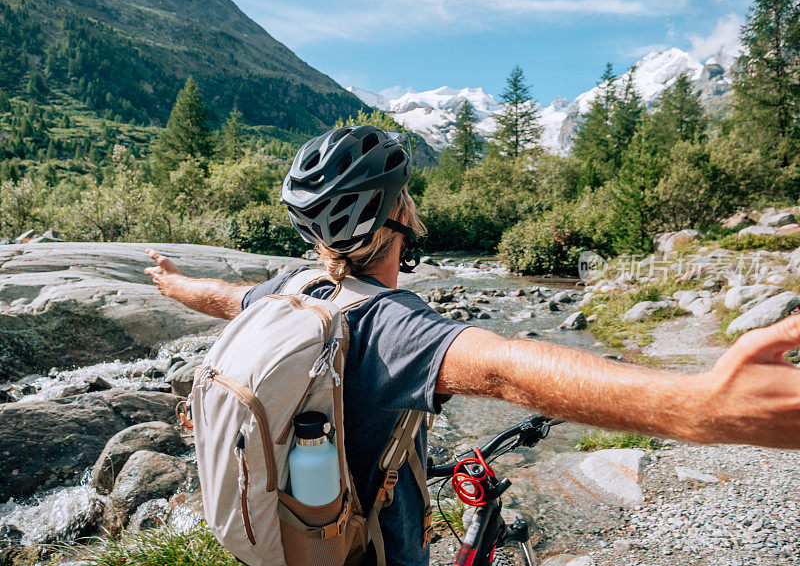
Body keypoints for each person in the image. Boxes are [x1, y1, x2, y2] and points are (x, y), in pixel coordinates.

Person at [146, 125, 800, 566]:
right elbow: (505, 370)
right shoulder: (386, 323)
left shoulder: (291, 289)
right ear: (397, 212)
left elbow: (226, 297)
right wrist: (700, 406)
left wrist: (175, 286)